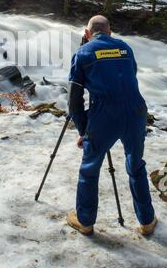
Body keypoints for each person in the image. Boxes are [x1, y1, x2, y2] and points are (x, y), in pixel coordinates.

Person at [67, 15, 157, 237]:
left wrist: (83, 131)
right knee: (136, 165)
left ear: (87, 34)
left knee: (89, 169)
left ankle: (85, 221)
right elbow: (129, 77)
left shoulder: (83, 53)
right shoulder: (125, 48)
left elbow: (74, 100)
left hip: (105, 115)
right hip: (136, 111)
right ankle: (147, 221)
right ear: (110, 32)